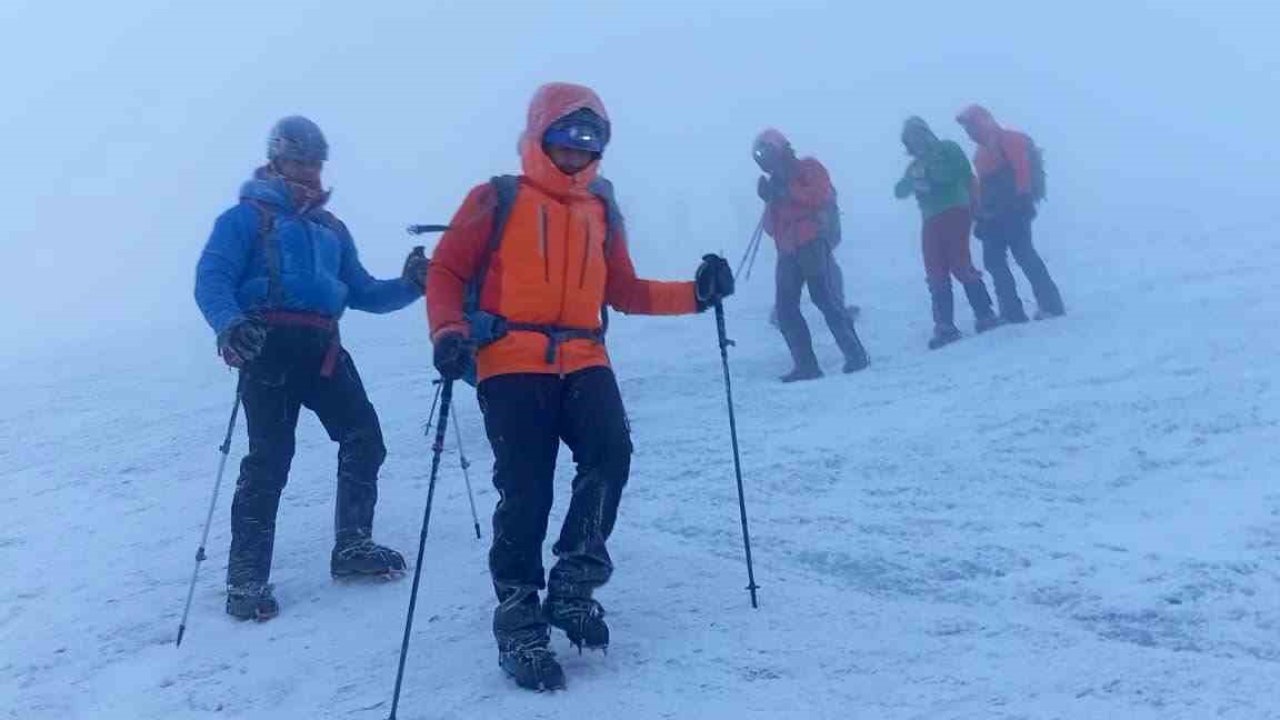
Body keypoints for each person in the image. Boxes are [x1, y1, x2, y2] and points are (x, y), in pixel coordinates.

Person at [426, 82, 734, 692]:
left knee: (610, 455)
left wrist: (696, 296)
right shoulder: (498, 197)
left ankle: (573, 581)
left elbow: (623, 289)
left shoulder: (599, 208)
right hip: (510, 360)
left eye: (591, 137)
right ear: (541, 132)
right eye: (568, 134)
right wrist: (448, 331)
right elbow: (447, 269)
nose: (579, 147)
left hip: (585, 355)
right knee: (527, 489)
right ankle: (519, 617)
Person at [194, 116, 428, 621]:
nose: (308, 172)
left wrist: (411, 284)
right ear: (276, 160)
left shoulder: (330, 229)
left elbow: (363, 292)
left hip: (322, 348)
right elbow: (212, 278)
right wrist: (231, 325)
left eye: (315, 164)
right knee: (270, 460)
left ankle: (352, 545)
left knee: (364, 437)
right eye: (299, 162)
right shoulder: (245, 219)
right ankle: (246, 581)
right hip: (267, 347)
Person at [754, 129, 869, 382]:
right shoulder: (775, 183)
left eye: (769, 154)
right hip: (787, 251)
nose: (767, 161)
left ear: (780, 150)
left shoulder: (808, 168)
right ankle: (806, 365)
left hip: (812, 243)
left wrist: (786, 192)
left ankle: (856, 354)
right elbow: (771, 228)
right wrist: (770, 200)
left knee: (826, 300)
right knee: (785, 310)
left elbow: (819, 196)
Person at [894, 116, 1000, 349]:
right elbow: (899, 190)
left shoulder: (947, 148)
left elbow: (960, 171)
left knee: (960, 263)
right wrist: (912, 182)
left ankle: (985, 314)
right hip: (931, 218)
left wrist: (929, 179)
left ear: (927, 132)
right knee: (935, 270)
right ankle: (945, 325)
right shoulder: (914, 166)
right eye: (911, 139)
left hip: (955, 209)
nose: (916, 141)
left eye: (918, 135)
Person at [956, 105, 1065, 322]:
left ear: (984, 120)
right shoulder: (981, 153)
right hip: (994, 214)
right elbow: (983, 187)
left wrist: (1023, 200)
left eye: (972, 125)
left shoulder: (1009, 139)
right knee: (995, 260)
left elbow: (1022, 168)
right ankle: (1012, 310)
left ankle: (1050, 304)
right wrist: (979, 214)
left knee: (1023, 254)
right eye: (967, 128)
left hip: (1014, 209)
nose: (969, 131)